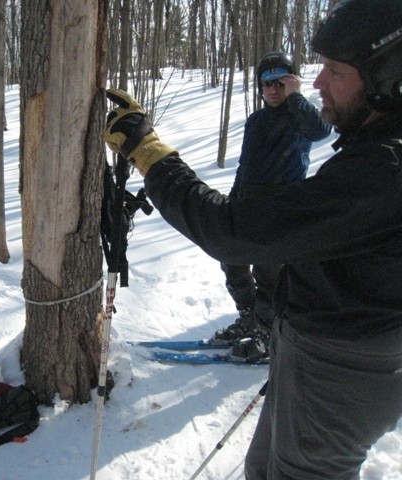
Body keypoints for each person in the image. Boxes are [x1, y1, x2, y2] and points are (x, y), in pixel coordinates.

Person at [103, 0, 402, 477]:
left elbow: (234, 232)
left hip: (342, 372)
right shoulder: (370, 148)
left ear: (388, 81)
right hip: (314, 348)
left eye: (334, 71)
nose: (319, 81)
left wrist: (150, 153)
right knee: (263, 467)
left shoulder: (383, 172)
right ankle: (258, 321)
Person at [213, 51, 331, 363]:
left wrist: (297, 97)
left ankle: (266, 332)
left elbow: (321, 131)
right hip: (246, 201)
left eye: (281, 83)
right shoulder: (256, 120)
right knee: (231, 258)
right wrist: (233, 198)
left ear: (291, 83)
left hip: (281, 205)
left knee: (269, 273)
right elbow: (245, 164)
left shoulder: (300, 116)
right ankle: (250, 319)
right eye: (267, 83)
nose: (273, 89)